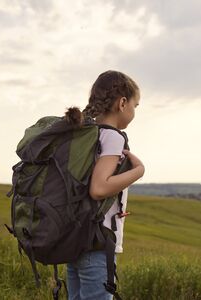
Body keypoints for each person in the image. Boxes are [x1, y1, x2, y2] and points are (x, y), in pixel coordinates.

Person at [65, 70, 145, 300]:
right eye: (135, 105)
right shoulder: (112, 136)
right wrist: (138, 171)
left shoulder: (85, 134)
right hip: (97, 245)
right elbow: (99, 188)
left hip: (76, 239)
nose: (134, 111)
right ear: (122, 103)